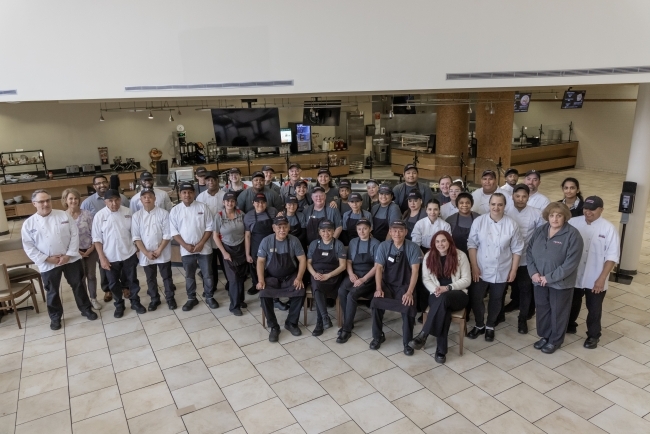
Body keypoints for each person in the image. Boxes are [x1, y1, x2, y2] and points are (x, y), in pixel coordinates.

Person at [22, 189, 97, 330]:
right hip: (48, 263)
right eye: (41, 201)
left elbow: (74, 235)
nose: (46, 204)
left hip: (70, 259)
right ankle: (55, 317)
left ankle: (86, 309)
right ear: (34, 204)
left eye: (48, 200)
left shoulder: (63, 215)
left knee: (78, 285)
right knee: (52, 291)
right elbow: (28, 246)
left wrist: (69, 254)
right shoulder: (29, 224)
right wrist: (47, 259)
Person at [527, 202, 584, 353]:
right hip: (539, 281)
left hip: (561, 283)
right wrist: (533, 273)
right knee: (543, 309)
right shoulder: (541, 230)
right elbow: (529, 252)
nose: (555, 219)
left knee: (558, 312)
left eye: (559, 215)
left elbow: (571, 263)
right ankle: (545, 336)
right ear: (547, 217)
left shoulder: (573, 235)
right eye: (552, 215)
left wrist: (550, 277)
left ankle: (555, 340)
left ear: (565, 217)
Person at [466, 193, 523, 341]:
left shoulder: (512, 224)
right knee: (476, 297)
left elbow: (517, 249)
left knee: (496, 299)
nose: (496, 207)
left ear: (505, 206)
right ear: (489, 205)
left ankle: (490, 325)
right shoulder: (479, 221)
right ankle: (479, 324)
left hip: (502, 268)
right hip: (481, 267)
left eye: (500, 204)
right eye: (493, 204)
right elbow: (472, 244)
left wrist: (514, 270)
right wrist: (474, 266)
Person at [408, 231, 470, 363]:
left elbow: (467, 280)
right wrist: (436, 289)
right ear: (433, 243)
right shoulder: (429, 256)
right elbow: (425, 279)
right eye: (437, 241)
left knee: (444, 299)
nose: (440, 244)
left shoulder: (460, 256)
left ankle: (424, 334)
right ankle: (441, 351)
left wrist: (447, 288)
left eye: (443, 241)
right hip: (436, 294)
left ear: (449, 241)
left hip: (458, 294)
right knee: (443, 309)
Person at [567, 196, 619, 348]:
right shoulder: (573, 222)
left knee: (594, 308)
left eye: (592, 209)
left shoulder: (608, 228)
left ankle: (593, 335)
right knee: (572, 303)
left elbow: (612, 257)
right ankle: (569, 325)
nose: (587, 212)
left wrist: (602, 278)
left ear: (601, 210)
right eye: (585, 208)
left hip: (596, 276)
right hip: (574, 274)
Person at [370, 220, 423, 356]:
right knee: (376, 303)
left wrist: (410, 292)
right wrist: (378, 288)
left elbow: (415, 271)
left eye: (400, 230)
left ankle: (407, 342)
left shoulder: (412, 247)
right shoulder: (383, 246)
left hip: (405, 285)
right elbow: (378, 268)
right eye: (394, 230)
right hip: (387, 285)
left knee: (408, 306)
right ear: (390, 231)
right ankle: (377, 336)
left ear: (406, 232)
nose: (397, 233)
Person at [92, 189, 146, 317]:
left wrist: (138, 249)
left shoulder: (128, 212)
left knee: (132, 280)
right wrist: (102, 258)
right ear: (105, 202)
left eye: (116, 200)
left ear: (120, 200)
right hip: (110, 256)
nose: (114, 203)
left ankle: (135, 302)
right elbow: (97, 240)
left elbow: (135, 233)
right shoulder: (99, 216)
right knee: (113, 283)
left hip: (128, 253)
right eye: (110, 201)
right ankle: (119, 305)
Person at [256, 216, 307, 342]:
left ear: (289, 228)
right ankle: (274, 326)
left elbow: (302, 259)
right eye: (279, 227)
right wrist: (261, 280)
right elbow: (260, 262)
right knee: (263, 294)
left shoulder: (294, 241)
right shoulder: (266, 241)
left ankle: (291, 322)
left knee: (300, 291)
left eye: (285, 227)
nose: (282, 230)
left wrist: (299, 277)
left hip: (290, 276)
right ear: (274, 228)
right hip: (272, 278)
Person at [81, 174, 130, 303]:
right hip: (102, 241)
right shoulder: (87, 202)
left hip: (121, 239)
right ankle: (108, 289)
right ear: (94, 186)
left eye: (104, 182)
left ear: (108, 183)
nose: (102, 185)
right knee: (105, 267)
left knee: (125, 266)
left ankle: (125, 287)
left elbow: (128, 217)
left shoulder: (123, 199)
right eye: (98, 183)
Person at [502, 184, 544, 333]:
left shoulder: (536, 213)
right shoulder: (505, 210)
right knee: (502, 287)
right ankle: (499, 314)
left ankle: (523, 318)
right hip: (506, 257)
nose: (520, 199)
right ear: (512, 196)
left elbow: (541, 236)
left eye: (524, 196)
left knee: (526, 288)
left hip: (526, 257)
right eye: (517, 196)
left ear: (528, 197)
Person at [169, 182, 216, 311]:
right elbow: (174, 232)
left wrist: (201, 243)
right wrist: (185, 245)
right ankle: (191, 298)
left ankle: (209, 296)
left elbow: (209, 227)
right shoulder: (175, 210)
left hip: (204, 248)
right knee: (189, 275)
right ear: (180, 194)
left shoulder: (203, 207)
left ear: (194, 193)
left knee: (207, 274)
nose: (187, 195)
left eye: (190, 192)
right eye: (184, 192)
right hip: (186, 250)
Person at [131, 188, 176, 311]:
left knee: (167, 277)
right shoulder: (136, 216)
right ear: (140, 200)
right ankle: (154, 299)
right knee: (150, 278)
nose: (147, 199)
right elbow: (136, 237)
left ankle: (170, 298)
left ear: (155, 199)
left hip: (162, 251)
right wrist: (146, 253)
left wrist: (159, 250)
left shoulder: (163, 214)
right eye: (144, 197)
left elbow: (167, 234)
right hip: (146, 254)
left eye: (150, 196)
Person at [337, 218, 380, 343]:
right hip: (354, 273)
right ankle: (348, 321)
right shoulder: (353, 242)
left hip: (369, 276)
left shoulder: (376, 243)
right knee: (341, 291)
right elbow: (349, 261)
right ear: (356, 230)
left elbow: (377, 266)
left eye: (365, 228)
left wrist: (363, 279)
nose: (362, 231)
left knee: (352, 294)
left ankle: (346, 329)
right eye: (359, 229)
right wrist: (351, 274)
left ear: (370, 229)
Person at [62, 188, 101, 310]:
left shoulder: (87, 214)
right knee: (80, 277)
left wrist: (92, 248)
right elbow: (63, 237)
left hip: (90, 249)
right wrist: (75, 251)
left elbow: (95, 233)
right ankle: (85, 301)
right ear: (66, 200)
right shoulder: (62, 217)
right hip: (74, 252)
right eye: (71, 199)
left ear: (79, 200)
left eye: (76, 198)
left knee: (91, 275)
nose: (73, 201)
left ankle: (93, 298)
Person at [307, 220, 347, 336]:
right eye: (323, 231)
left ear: (333, 231)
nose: (326, 233)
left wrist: (328, 275)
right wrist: (314, 273)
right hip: (317, 274)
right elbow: (308, 263)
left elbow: (343, 266)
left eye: (329, 230)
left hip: (333, 276)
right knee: (317, 284)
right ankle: (324, 318)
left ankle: (321, 321)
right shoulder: (314, 244)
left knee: (318, 286)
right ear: (319, 232)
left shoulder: (338, 244)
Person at [213, 192, 248, 316]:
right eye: (227, 201)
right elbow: (215, 236)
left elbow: (246, 233)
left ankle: (240, 300)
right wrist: (224, 252)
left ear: (235, 203)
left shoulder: (241, 214)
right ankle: (234, 306)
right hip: (228, 249)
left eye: (232, 201)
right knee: (233, 279)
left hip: (241, 248)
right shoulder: (219, 216)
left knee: (241, 276)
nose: (230, 203)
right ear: (223, 202)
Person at [244, 193, 279, 298]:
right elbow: (247, 235)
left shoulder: (273, 211)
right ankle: (256, 285)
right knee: (255, 267)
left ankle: (272, 286)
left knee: (272, 266)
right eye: (257, 202)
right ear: (253, 203)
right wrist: (247, 254)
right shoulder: (248, 216)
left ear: (266, 203)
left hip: (272, 244)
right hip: (256, 245)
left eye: (263, 202)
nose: (260, 204)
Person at [197, 171, 225, 294]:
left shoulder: (225, 195)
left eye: (213, 179)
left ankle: (231, 284)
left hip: (223, 236)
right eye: (208, 180)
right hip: (207, 236)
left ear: (217, 180)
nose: (210, 182)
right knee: (209, 264)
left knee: (225, 262)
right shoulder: (201, 197)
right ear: (205, 182)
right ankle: (211, 287)